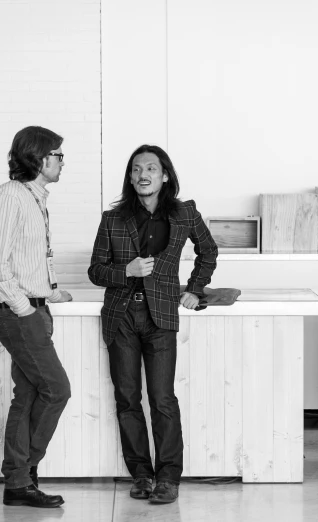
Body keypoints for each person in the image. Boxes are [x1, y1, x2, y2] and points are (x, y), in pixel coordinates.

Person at [88, 144, 218, 504]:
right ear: (130, 177)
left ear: (164, 175)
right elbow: (96, 271)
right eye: (135, 169)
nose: (142, 175)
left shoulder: (184, 214)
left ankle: (168, 478)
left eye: (149, 169)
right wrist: (125, 271)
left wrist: (194, 289)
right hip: (121, 317)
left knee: (162, 399)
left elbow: (208, 252)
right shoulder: (112, 219)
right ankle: (141, 475)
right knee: (127, 399)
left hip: (161, 316)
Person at [0, 125, 73, 508]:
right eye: (57, 154)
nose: (62, 161)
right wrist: (26, 310)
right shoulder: (10, 197)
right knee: (57, 389)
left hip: (34, 307)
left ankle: (19, 482)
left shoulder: (35, 198)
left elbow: (28, 258)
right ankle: (22, 473)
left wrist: (49, 293)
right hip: (17, 313)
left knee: (31, 392)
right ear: (37, 158)